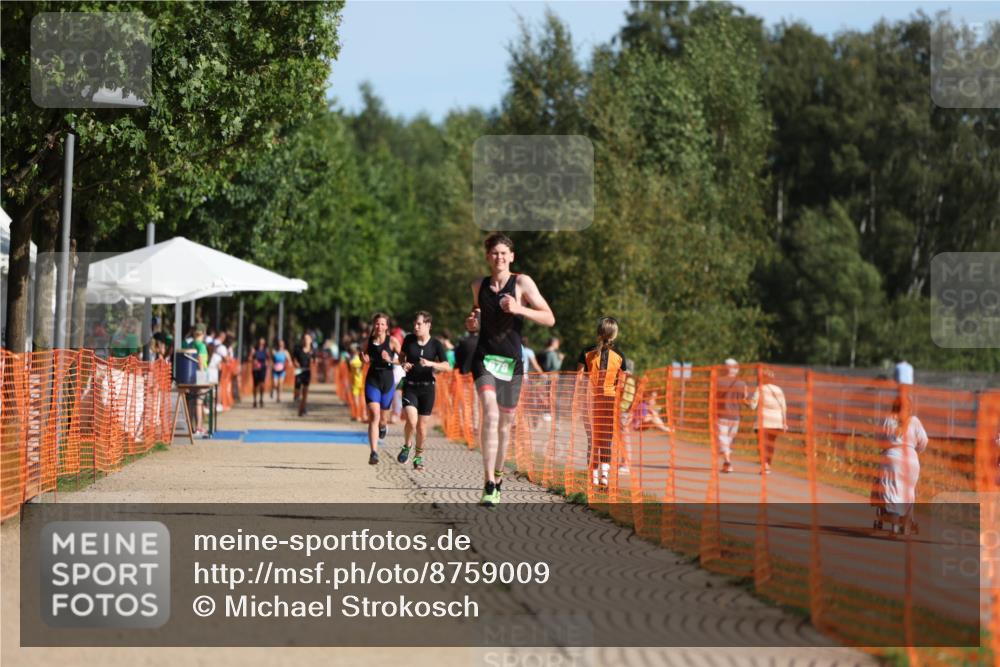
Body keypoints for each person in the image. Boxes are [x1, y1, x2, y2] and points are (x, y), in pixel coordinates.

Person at [466, 233, 555, 506]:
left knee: (505, 425)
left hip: (512, 363)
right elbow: (476, 315)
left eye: (504, 253)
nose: (499, 258)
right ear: (487, 257)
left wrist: (519, 309)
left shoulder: (522, 282)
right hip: (484, 358)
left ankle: (498, 474)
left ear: (511, 257)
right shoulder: (478, 285)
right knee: (490, 415)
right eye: (494, 253)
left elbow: (549, 318)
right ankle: (488, 483)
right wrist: (472, 323)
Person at [577, 317, 629, 487]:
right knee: (606, 439)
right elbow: (623, 383)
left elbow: (578, 380)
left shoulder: (586, 353)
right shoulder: (620, 356)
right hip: (610, 401)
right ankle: (604, 476)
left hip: (589, 400)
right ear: (614, 335)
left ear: (598, 332)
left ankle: (591, 475)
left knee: (592, 438)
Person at [396, 312, 450, 470]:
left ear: (428, 325)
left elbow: (447, 366)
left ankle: (418, 457)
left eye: (419, 324)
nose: (415, 326)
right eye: (415, 323)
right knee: (411, 421)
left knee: (421, 426)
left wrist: (430, 363)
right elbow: (401, 356)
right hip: (410, 386)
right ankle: (407, 445)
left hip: (427, 388)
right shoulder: (409, 340)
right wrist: (403, 364)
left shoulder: (436, 344)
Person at [870, 394, 928, 534]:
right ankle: (907, 520)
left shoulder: (888, 419)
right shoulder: (915, 421)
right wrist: (914, 451)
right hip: (911, 461)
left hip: (892, 459)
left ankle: (894, 517)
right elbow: (924, 441)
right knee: (908, 490)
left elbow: (879, 441)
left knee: (891, 489)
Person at [362, 313, 402, 464]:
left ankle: (383, 426)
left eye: (382, 324)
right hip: (373, 381)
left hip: (387, 382)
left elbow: (404, 359)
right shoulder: (369, 342)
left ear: (387, 327)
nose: (379, 326)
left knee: (382, 419)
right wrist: (363, 358)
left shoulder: (392, 341)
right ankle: (374, 452)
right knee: (374, 415)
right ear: (374, 325)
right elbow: (362, 354)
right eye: (377, 324)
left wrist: (390, 359)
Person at [751, 369, 787, 474]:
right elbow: (783, 407)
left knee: (761, 443)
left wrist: (745, 401)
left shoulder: (760, 389)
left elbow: (753, 406)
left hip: (764, 421)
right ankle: (768, 466)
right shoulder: (779, 390)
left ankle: (765, 465)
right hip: (776, 421)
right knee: (771, 444)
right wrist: (784, 423)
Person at [716, 358, 749, 473]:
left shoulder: (717, 381)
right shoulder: (742, 383)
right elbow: (744, 399)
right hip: (735, 417)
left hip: (721, 416)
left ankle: (727, 462)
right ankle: (726, 462)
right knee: (728, 441)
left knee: (723, 441)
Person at [292, 332, 314, 417]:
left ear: (311, 340)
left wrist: (313, 360)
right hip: (299, 371)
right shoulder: (298, 349)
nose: (306, 340)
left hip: (307, 372)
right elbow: (294, 359)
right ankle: (300, 403)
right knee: (297, 393)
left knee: (305, 392)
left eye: (308, 339)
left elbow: (314, 361)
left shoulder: (312, 351)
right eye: (305, 339)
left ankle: (302, 410)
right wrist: (296, 363)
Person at [250, 338, 269, 408]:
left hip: (263, 369)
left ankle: (261, 399)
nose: (261, 344)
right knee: (255, 385)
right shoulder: (254, 350)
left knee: (262, 385)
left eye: (262, 343)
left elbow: (268, 359)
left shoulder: (265, 350)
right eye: (260, 343)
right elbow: (249, 358)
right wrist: (253, 359)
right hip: (255, 369)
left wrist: (267, 363)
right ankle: (255, 400)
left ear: (264, 343)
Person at [349, 343, 365, 422]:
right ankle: (363, 415)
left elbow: (351, 365)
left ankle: (357, 415)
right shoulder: (362, 360)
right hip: (362, 381)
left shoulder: (353, 360)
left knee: (356, 399)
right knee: (362, 399)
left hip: (355, 382)